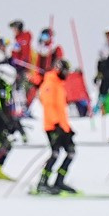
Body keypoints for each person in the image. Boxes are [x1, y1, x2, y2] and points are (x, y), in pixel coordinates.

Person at [34, 60, 78, 194]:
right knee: (55, 153)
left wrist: (67, 128)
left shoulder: (60, 85)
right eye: (65, 71)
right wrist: (56, 124)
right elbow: (48, 105)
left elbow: (61, 109)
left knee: (71, 152)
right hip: (52, 126)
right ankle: (43, 182)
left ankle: (59, 181)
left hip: (61, 126)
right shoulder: (49, 84)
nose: (66, 74)